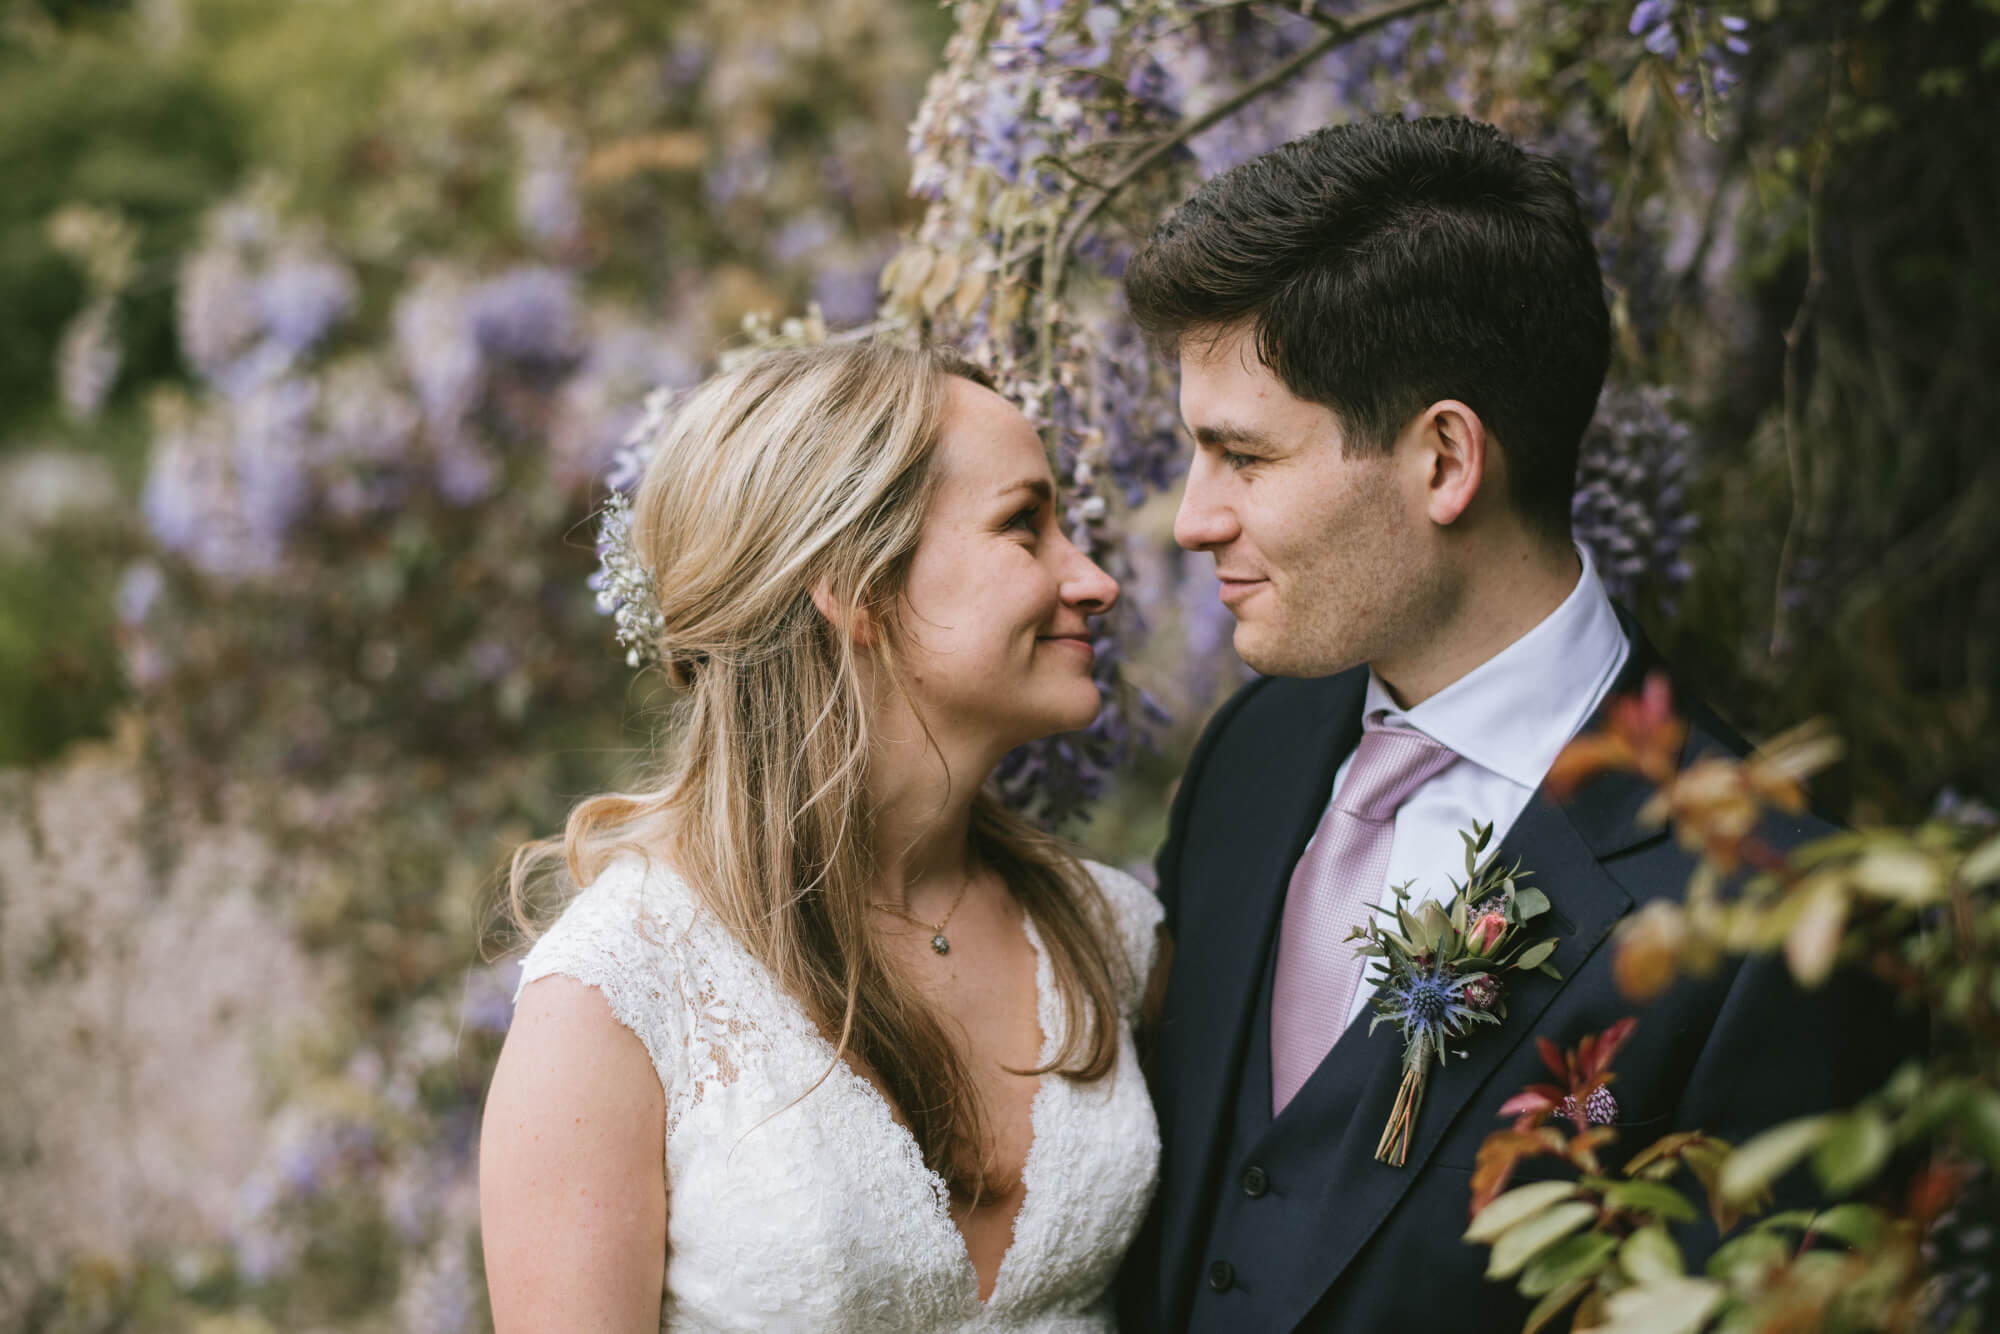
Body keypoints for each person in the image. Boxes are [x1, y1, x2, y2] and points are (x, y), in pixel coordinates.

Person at [1114, 115, 1917, 1333]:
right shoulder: (1250, 755)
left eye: (1241, 455)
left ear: (1444, 459)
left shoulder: (1762, 909)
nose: (1190, 519)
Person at [479, 341, 1163, 1333]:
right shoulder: (616, 993)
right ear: (855, 585)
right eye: (1026, 526)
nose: (1093, 578)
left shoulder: (1111, 933)